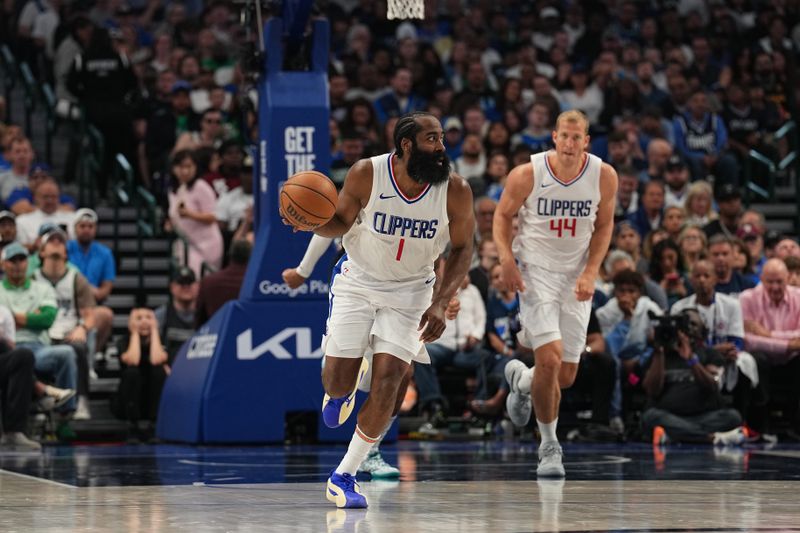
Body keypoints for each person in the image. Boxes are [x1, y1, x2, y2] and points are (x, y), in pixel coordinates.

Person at [281, 112, 474, 509]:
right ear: (406, 144)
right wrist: (309, 220)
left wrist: (440, 300)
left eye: (441, 139)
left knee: (392, 379)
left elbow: (464, 248)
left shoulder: (455, 190)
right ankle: (340, 391)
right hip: (358, 282)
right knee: (337, 381)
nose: (441, 148)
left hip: (411, 293)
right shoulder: (366, 174)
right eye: (432, 139)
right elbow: (338, 223)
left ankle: (344, 475)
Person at [495, 109, 618, 478]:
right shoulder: (528, 173)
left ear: (586, 142)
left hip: (576, 276)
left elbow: (605, 225)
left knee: (563, 376)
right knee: (548, 360)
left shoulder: (604, 176)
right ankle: (549, 446)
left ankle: (522, 381)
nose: (568, 143)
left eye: (576, 137)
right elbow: (502, 216)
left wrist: (592, 270)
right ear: (553, 136)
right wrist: (507, 260)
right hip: (536, 272)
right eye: (563, 136)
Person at [642, 308, 748, 446]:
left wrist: (691, 359)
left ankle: (676, 436)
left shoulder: (710, 355)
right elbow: (652, 391)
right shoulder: (657, 356)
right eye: (684, 325)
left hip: (704, 417)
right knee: (651, 417)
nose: (689, 329)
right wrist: (659, 353)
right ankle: (711, 438)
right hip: (669, 415)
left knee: (733, 417)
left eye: (694, 324)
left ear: (703, 330)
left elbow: (712, 385)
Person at [115, 308, 168, 442]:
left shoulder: (161, 340)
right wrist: (134, 334)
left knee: (159, 371)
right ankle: (133, 425)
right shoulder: (123, 341)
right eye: (138, 318)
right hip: (130, 401)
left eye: (148, 317)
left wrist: (155, 331)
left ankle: (155, 424)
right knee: (132, 372)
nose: (144, 321)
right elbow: (133, 360)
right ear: (130, 323)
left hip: (152, 399)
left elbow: (156, 359)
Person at [195, 240, 251, 326]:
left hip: (216, 334)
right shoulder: (254, 284)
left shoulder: (208, 282)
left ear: (230, 255)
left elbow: (199, 318)